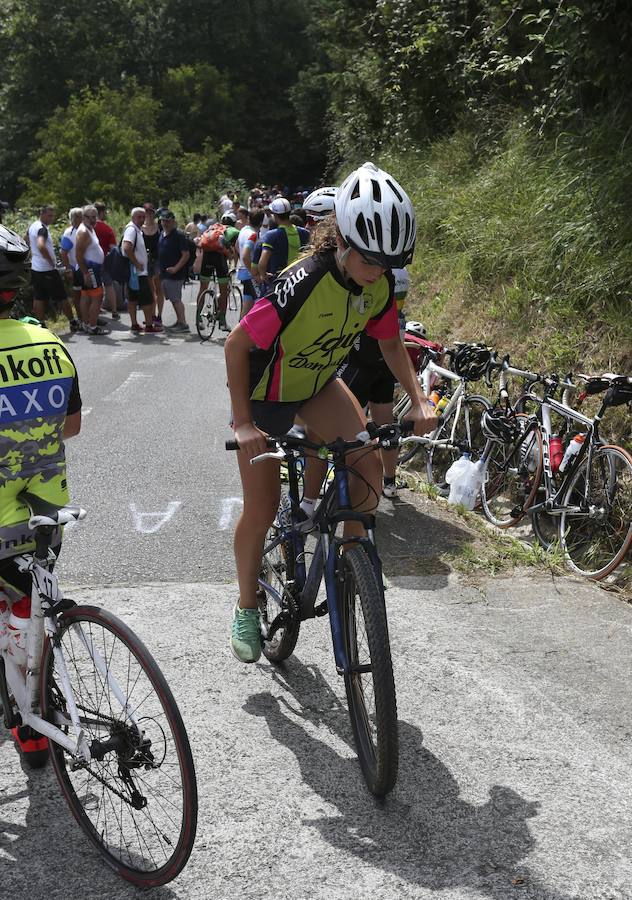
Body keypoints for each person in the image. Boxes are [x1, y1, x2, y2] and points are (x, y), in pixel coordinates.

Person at [224, 162, 437, 662]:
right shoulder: (302, 281)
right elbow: (235, 345)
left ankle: (351, 565)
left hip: (318, 384)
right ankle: (247, 605)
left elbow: (389, 346)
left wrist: (421, 398)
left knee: (366, 463)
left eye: (390, 262)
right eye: (370, 260)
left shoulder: (378, 285)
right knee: (260, 507)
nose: (378, 271)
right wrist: (243, 423)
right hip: (266, 394)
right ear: (340, 238)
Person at [0, 224, 82, 766]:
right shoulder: (48, 342)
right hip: (49, 506)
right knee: (31, 607)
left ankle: (27, 728)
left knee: (15, 607)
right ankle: (35, 718)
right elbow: (70, 425)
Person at [339, 265, 412, 498]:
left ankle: (348, 479)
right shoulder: (401, 274)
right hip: (390, 351)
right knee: (386, 422)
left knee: (350, 423)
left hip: (365, 349)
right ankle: (389, 481)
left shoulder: (373, 271)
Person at [196, 214, 240, 332]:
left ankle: (198, 318)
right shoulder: (235, 231)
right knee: (223, 291)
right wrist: (233, 265)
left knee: (202, 288)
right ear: (234, 223)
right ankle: (222, 322)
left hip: (207, 257)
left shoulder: (213, 228)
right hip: (219, 260)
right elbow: (235, 251)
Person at [257, 197, 309, 294]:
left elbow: (262, 263)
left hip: (279, 282)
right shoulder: (304, 233)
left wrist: (263, 276)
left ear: (275, 215)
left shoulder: (271, 235)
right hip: (301, 279)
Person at [27, 205, 68, 324]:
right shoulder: (42, 229)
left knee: (39, 296)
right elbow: (41, 245)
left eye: (53, 216)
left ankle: (41, 323)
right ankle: (73, 322)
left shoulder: (32, 226)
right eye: (49, 215)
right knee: (62, 296)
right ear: (42, 214)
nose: (52, 218)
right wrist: (51, 261)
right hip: (47, 268)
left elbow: (24, 240)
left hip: (35, 267)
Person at [122, 207, 161, 333]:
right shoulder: (132, 230)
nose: (142, 219)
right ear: (133, 217)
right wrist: (136, 263)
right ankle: (149, 325)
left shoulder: (135, 230)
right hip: (138, 273)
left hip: (134, 272)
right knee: (147, 299)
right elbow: (127, 247)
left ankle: (135, 324)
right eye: (139, 217)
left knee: (132, 299)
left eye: (143, 216)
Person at [74, 205, 109, 336]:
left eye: (95, 217)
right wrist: (85, 273)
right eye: (91, 217)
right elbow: (78, 254)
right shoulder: (83, 232)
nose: (94, 220)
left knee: (86, 296)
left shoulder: (90, 229)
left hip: (91, 267)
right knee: (97, 296)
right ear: (84, 218)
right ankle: (92, 326)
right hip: (89, 267)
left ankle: (86, 323)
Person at [157, 210, 191, 333]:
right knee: (173, 298)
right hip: (166, 273)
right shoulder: (162, 234)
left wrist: (176, 268)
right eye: (163, 221)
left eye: (167, 221)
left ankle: (183, 324)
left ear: (173, 221)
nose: (165, 223)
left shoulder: (178, 236)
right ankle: (179, 321)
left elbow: (186, 255)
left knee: (176, 299)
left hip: (176, 274)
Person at [236, 207, 264, 317]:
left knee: (247, 305)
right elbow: (245, 255)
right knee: (259, 304)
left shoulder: (243, 230)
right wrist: (254, 274)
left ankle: (240, 330)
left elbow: (237, 246)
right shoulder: (253, 234)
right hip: (250, 274)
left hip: (244, 271)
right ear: (261, 222)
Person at [59, 207, 83, 332]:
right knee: (78, 295)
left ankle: (89, 318)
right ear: (75, 218)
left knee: (89, 294)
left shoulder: (84, 229)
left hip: (86, 268)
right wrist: (68, 270)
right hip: (75, 268)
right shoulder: (69, 232)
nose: (83, 218)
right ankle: (81, 319)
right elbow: (63, 253)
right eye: (81, 216)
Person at [93, 203, 119, 321]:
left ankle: (96, 310)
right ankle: (114, 311)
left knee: (95, 287)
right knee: (109, 285)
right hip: (105, 260)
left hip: (91, 262)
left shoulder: (88, 227)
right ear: (101, 212)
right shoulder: (107, 229)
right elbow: (113, 247)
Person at [142, 203, 165, 331]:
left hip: (158, 260)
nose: (148, 214)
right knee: (149, 290)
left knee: (159, 289)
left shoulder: (159, 227)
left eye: (151, 212)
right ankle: (151, 315)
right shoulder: (140, 228)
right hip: (145, 261)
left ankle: (159, 315)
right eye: (146, 212)